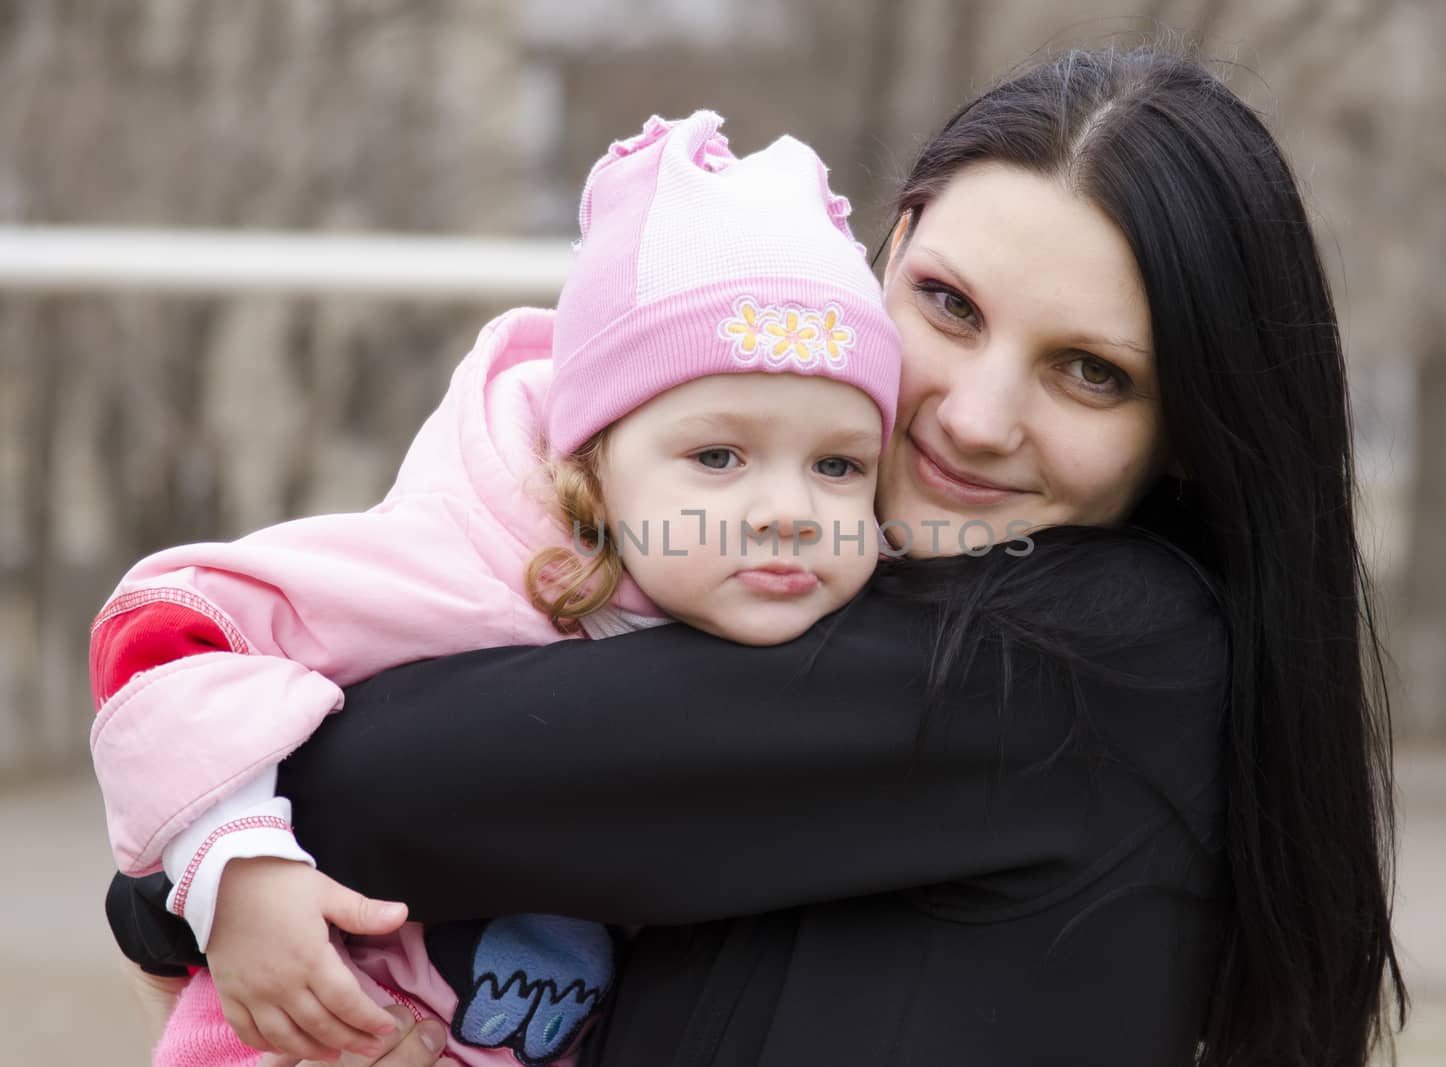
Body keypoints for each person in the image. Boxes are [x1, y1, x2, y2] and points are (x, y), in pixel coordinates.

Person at [110, 46, 1408, 1066]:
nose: (971, 413)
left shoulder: (1104, 647)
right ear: (881, 258)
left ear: (1189, 430)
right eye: (948, 304)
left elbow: (372, 787)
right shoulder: (790, 586)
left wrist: (201, 865)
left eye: (1090, 370)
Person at [89, 111, 901, 1067]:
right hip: (312, 1027)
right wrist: (238, 863)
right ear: (593, 463)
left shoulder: (864, 654)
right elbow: (167, 631)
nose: (787, 509)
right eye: (718, 454)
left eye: (840, 466)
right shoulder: (463, 555)